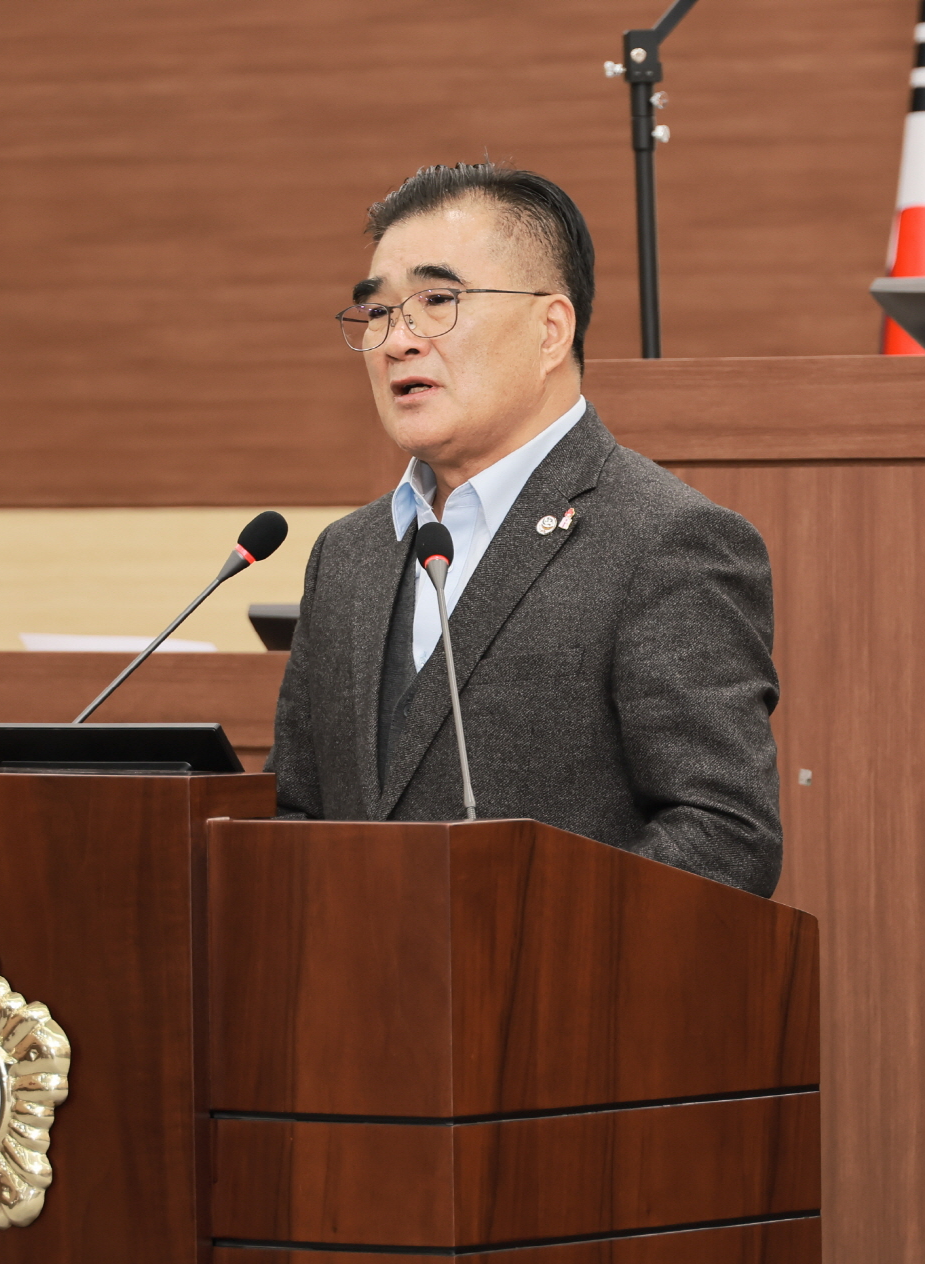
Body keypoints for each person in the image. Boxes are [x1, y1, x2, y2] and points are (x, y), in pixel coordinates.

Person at [267, 162, 781, 898]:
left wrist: (520, 954)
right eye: (378, 312)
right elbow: (297, 807)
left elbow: (724, 835)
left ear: (550, 329)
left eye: (436, 301)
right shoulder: (347, 555)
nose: (395, 342)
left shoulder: (666, 541)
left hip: (554, 999)